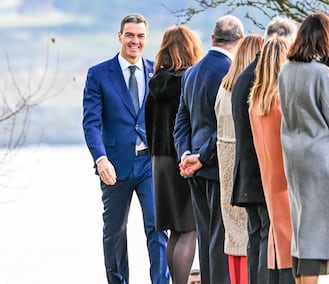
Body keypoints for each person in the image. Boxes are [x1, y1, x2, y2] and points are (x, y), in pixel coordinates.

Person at [82, 14, 169, 284]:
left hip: (149, 164)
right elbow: (91, 123)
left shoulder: (157, 71)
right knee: (115, 231)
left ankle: (160, 281)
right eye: (130, 35)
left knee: (157, 227)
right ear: (120, 37)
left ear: (147, 39)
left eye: (140, 36)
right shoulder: (98, 74)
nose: (135, 41)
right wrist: (100, 159)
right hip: (115, 166)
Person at [278, 12, 329, 284]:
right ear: (327, 39)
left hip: (293, 158)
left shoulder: (285, 71)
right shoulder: (322, 73)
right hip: (319, 161)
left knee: (302, 231)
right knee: (316, 238)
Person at [173, 14, 244, 284]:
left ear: (213, 38)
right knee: (221, 236)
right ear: (239, 40)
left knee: (204, 236)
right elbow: (228, 125)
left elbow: (181, 121)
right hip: (216, 165)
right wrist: (202, 158)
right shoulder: (231, 73)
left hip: (193, 167)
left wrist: (185, 156)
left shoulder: (191, 72)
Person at [231, 17, 297, 284]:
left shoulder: (245, 78)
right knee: (268, 242)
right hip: (265, 175)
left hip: (247, 173)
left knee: (256, 238)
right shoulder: (269, 82)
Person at [145, 25, 202, 284]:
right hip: (182, 159)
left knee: (174, 232)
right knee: (189, 229)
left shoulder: (154, 84)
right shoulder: (188, 82)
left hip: (158, 162)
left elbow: (147, 126)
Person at [214, 34, 262, 284]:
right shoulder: (251, 88)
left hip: (224, 161)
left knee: (233, 235)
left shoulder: (224, 87)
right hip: (244, 160)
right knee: (250, 233)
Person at [248, 36, 294, 284]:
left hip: (269, 181)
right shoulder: (282, 101)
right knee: (290, 252)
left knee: (275, 250)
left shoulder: (256, 102)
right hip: (287, 181)